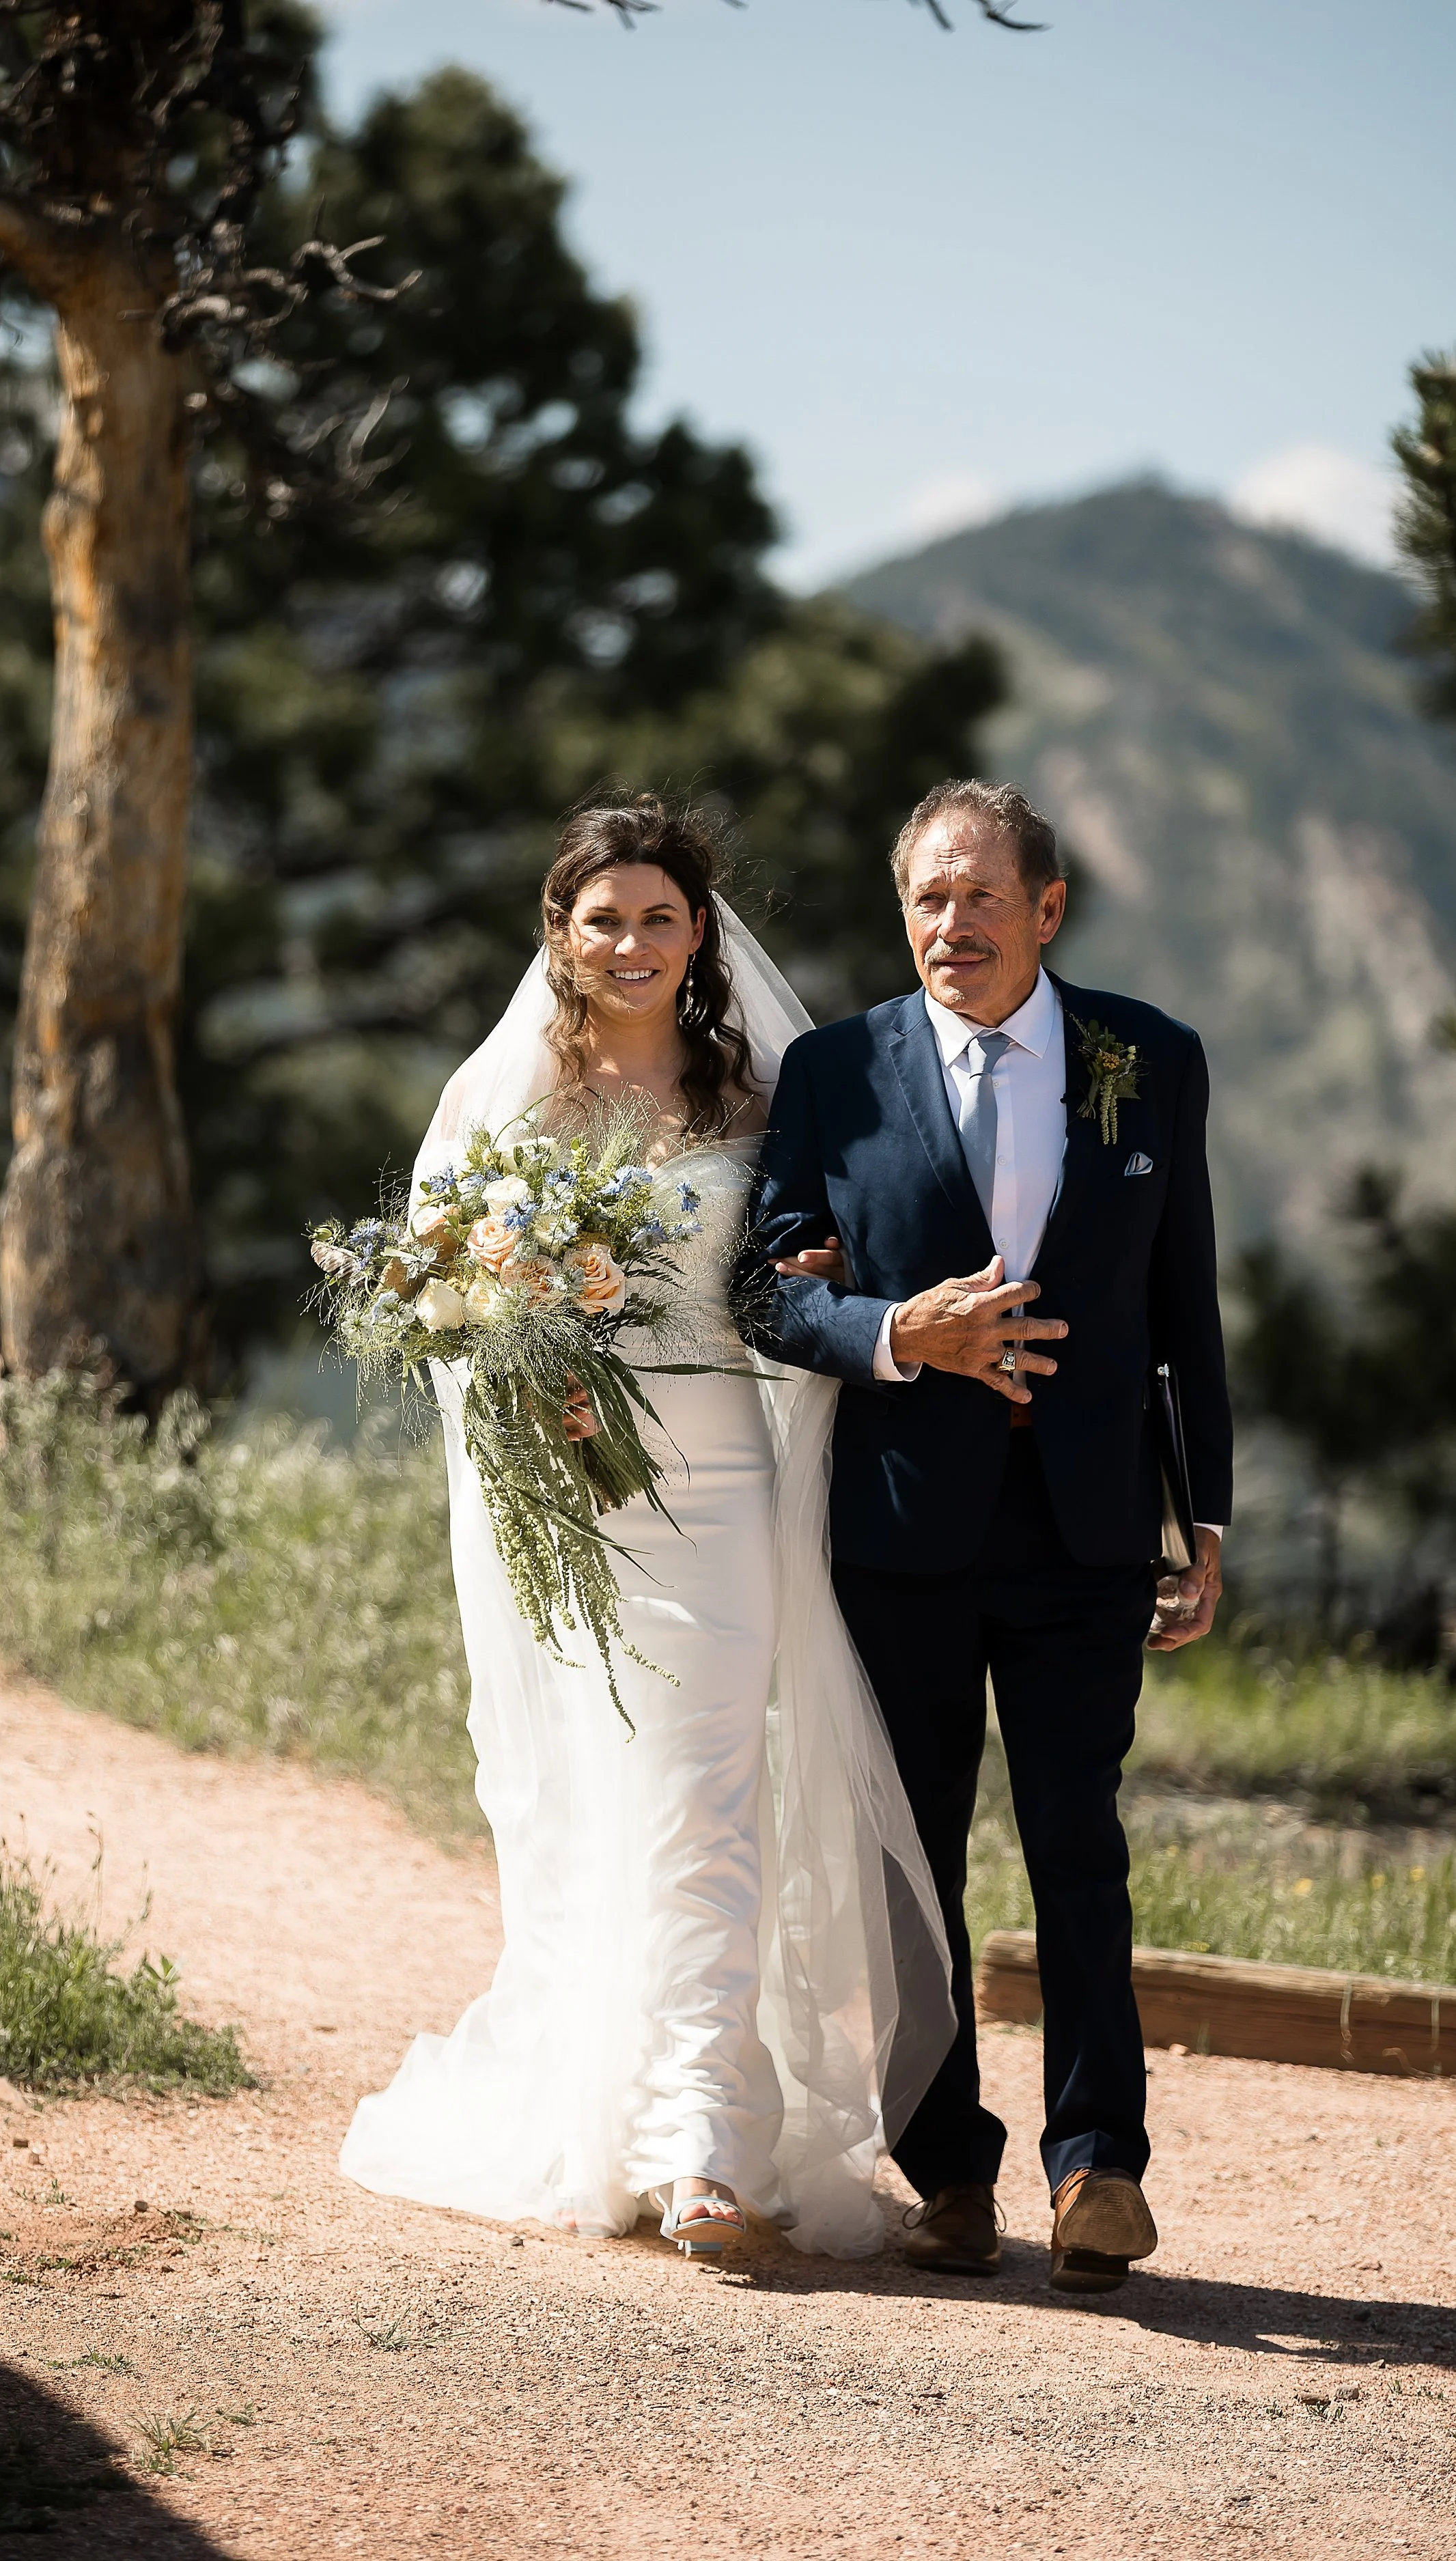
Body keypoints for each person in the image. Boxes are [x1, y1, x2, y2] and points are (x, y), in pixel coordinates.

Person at [339, 796, 953, 2259]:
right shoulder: (505, 1103)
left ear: (698, 936)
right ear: (559, 933)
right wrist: (522, 1374)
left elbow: (776, 1293)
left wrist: (818, 1268)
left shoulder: (755, 1100)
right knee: (593, 1801)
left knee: (708, 1793)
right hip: (568, 1495)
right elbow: (438, 1303)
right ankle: (613, 2113)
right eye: (601, 918)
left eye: (658, 917)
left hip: (719, 1480)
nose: (630, 942)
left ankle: (702, 2150)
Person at [744, 779, 1231, 2296]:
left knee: (1078, 1846)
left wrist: (1196, 1510)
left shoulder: (1146, 1060)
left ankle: (1099, 2169)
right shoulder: (835, 1070)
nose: (948, 924)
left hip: (1085, 1527)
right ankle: (945, 2169)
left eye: (976, 895)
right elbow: (768, 1293)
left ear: (1045, 909)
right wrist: (898, 1332)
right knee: (912, 1868)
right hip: (899, 1528)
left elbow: (1182, 1302)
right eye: (924, 900)